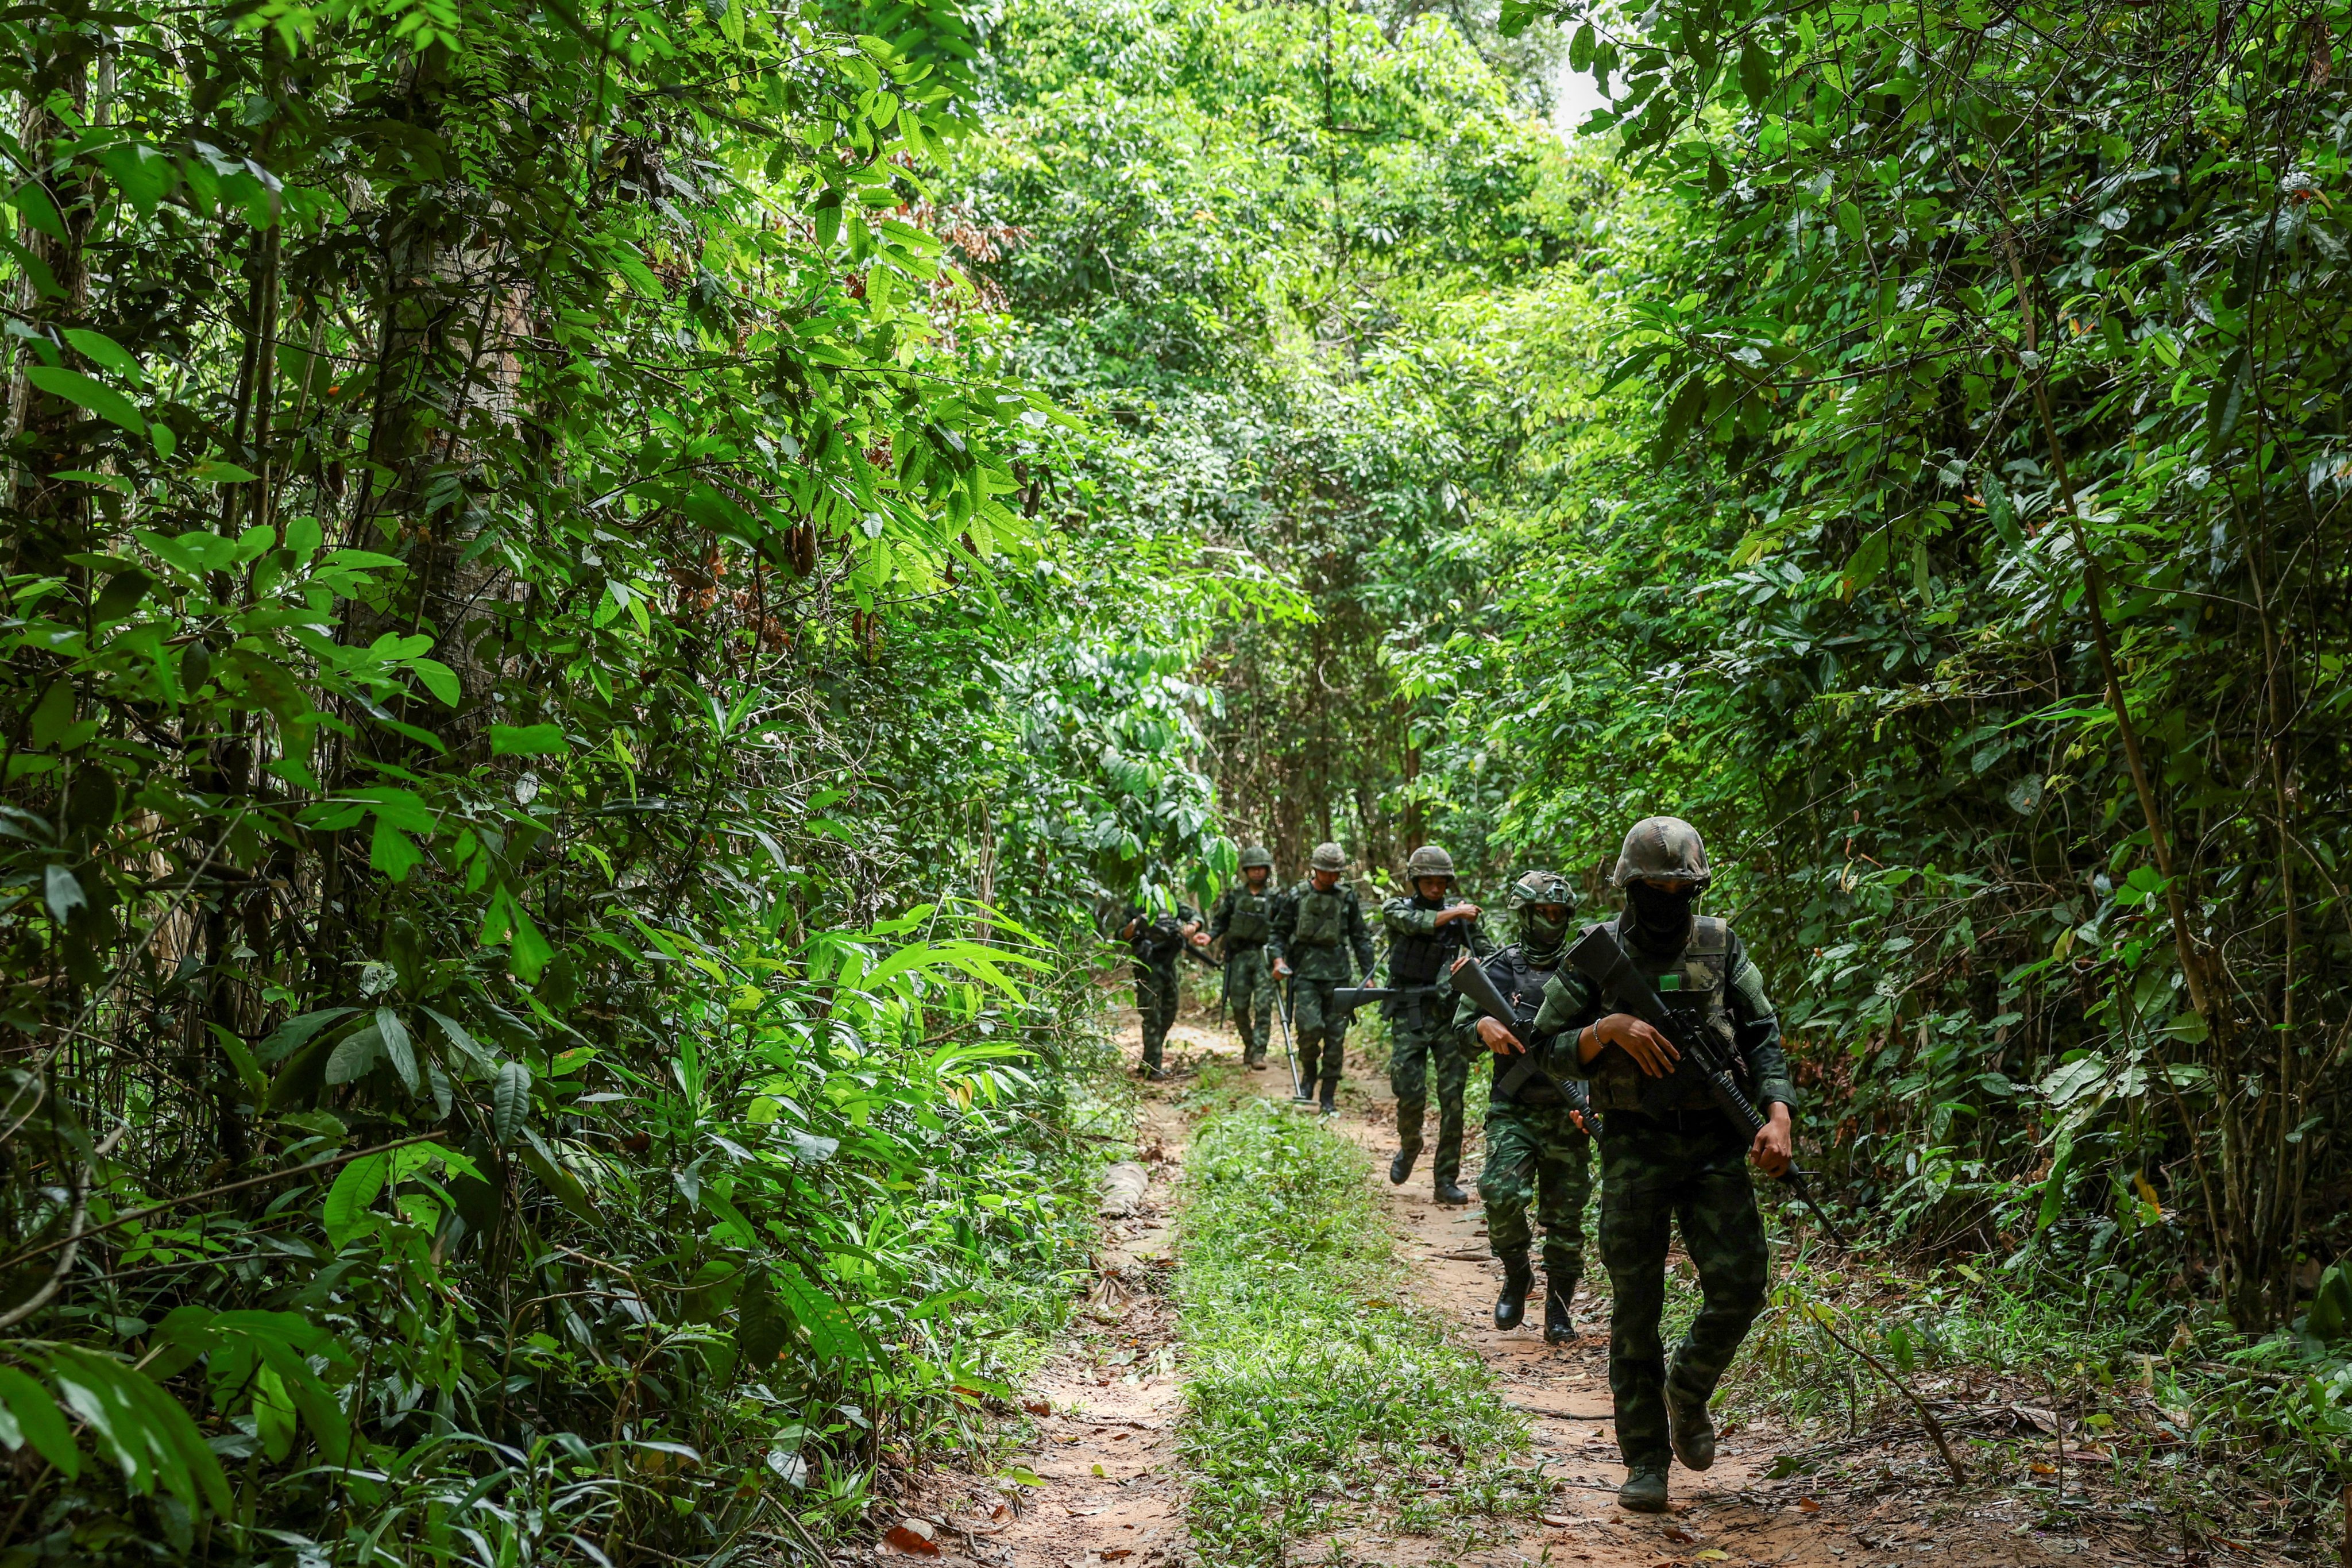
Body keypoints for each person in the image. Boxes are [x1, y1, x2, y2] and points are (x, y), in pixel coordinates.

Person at [1524, 817, 1798, 1516]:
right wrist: (1605, 1031)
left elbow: (1763, 1033)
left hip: (1713, 1145)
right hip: (1635, 1145)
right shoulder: (1599, 953)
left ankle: (1689, 1390)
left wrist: (1777, 1114)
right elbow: (1542, 1047)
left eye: (1681, 887)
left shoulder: (1721, 944)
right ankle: (1645, 1460)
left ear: (1698, 887)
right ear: (1629, 887)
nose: (1668, 898)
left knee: (1741, 1286)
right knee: (1636, 1308)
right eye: (1654, 887)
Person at [1455, 870, 1589, 1343]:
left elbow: (1606, 1040)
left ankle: (1558, 1308)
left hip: (1568, 1108)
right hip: (1513, 1106)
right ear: (1524, 915)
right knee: (1500, 1192)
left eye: (1558, 914)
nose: (1551, 921)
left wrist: (1595, 1102)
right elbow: (1460, 1029)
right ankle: (1516, 1273)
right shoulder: (1498, 968)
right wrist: (1481, 1029)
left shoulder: (1585, 969)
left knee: (1565, 1216)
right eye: (1542, 913)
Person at [1380, 845, 1493, 1203]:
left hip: (1447, 1015)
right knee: (1409, 1092)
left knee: (1453, 1100)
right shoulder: (1397, 909)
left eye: (1440, 882)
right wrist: (1456, 912)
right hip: (1410, 1012)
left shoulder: (1460, 918)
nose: (1434, 888)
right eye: (1427, 881)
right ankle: (1410, 1145)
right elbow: (1415, 924)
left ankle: (1446, 1179)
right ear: (1415, 882)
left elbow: (1489, 955)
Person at [1269, 841, 1374, 1114]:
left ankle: (1328, 1096)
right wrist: (1279, 961)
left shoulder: (1346, 897)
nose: (1330, 878)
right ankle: (1308, 1079)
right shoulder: (1297, 895)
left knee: (1336, 1037)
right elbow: (1278, 933)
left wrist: (1368, 974)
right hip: (1305, 975)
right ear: (1314, 870)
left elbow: (1360, 937)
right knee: (1309, 1029)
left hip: (1339, 977)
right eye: (1325, 872)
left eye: (1335, 873)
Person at [1115, 883, 1209, 1079]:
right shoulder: (1137, 905)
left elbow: (1197, 917)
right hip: (1148, 966)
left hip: (1169, 965)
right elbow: (1120, 935)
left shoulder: (1171, 904)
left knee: (1169, 1011)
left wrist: (1191, 927)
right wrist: (1135, 925)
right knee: (1152, 1015)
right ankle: (1153, 1067)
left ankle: (1149, 1062)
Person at [1208, 845, 1283, 1069]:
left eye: (1261, 868)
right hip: (1239, 957)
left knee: (1263, 1006)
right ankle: (1249, 1044)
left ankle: (1259, 1053)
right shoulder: (1235, 897)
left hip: (1264, 957)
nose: (1257, 872)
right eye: (1253, 869)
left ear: (1267, 870)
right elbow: (1221, 923)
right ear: (1246, 871)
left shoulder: (1276, 898)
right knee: (1239, 1006)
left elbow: (1283, 929)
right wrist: (1209, 937)